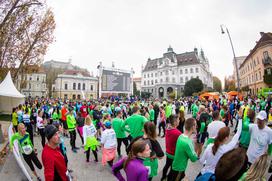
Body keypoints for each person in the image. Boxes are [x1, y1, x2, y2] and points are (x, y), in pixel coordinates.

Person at [161, 115, 181, 181]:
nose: (179, 121)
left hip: (168, 152)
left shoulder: (167, 128)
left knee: (167, 165)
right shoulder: (177, 133)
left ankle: (163, 177)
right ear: (175, 122)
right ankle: (169, 179)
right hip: (174, 154)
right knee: (172, 169)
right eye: (178, 120)